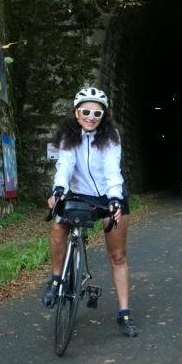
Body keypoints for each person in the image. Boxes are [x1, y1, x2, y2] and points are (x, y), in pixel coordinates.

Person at [42, 87, 138, 338]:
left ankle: (124, 314)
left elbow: (111, 169)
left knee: (117, 256)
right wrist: (59, 188)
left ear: (103, 115)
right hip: (79, 193)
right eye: (85, 111)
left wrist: (115, 199)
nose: (91, 117)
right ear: (76, 113)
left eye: (97, 112)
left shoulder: (111, 134)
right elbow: (65, 165)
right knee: (58, 228)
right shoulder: (68, 135)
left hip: (109, 194)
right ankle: (55, 280)